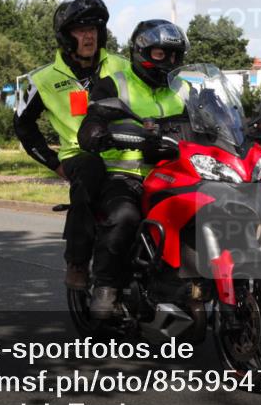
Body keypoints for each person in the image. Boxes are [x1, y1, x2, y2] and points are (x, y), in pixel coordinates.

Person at [13, 0, 131, 291]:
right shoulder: (42, 79)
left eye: (93, 28)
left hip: (129, 152)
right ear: (66, 37)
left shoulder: (123, 66)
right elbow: (23, 126)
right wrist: (53, 163)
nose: (89, 35)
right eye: (80, 29)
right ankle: (77, 261)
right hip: (80, 155)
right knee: (89, 172)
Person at [77, 19, 189, 318]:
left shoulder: (185, 88)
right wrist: (96, 130)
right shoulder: (115, 83)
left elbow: (212, 121)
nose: (169, 61)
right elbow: (94, 117)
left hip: (178, 175)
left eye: (175, 55)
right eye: (160, 54)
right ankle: (106, 288)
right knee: (124, 216)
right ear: (140, 52)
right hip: (127, 176)